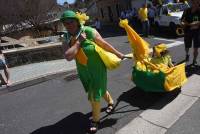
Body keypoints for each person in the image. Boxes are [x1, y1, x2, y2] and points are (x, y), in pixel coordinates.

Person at [60, 10, 124, 133]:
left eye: (71, 21)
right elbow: (68, 56)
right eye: (66, 23)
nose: (69, 25)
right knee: (98, 88)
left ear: (77, 21)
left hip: (97, 68)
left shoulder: (89, 31)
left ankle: (95, 120)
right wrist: (79, 42)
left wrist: (118, 53)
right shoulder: (66, 37)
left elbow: (104, 44)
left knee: (94, 94)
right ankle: (111, 102)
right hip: (83, 70)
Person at [181, 0, 200, 66]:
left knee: (196, 48)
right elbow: (182, 20)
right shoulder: (186, 10)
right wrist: (183, 23)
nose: (196, 4)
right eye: (194, 2)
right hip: (187, 31)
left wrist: (196, 24)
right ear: (192, 2)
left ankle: (194, 60)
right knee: (187, 46)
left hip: (197, 32)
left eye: (198, 2)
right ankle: (187, 54)